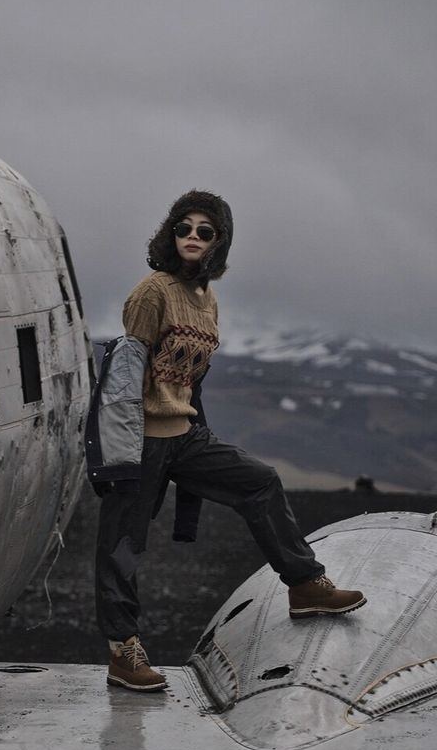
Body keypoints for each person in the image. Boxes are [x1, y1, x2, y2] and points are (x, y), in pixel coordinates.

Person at [88, 190, 366, 693]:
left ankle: (304, 585)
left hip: (185, 434)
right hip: (142, 440)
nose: (192, 237)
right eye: (184, 228)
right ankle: (123, 652)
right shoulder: (153, 292)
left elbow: (191, 379)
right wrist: (117, 458)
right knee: (121, 546)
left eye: (205, 231)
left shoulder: (206, 299)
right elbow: (125, 378)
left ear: (219, 242)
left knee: (259, 481)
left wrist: (199, 428)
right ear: (170, 234)